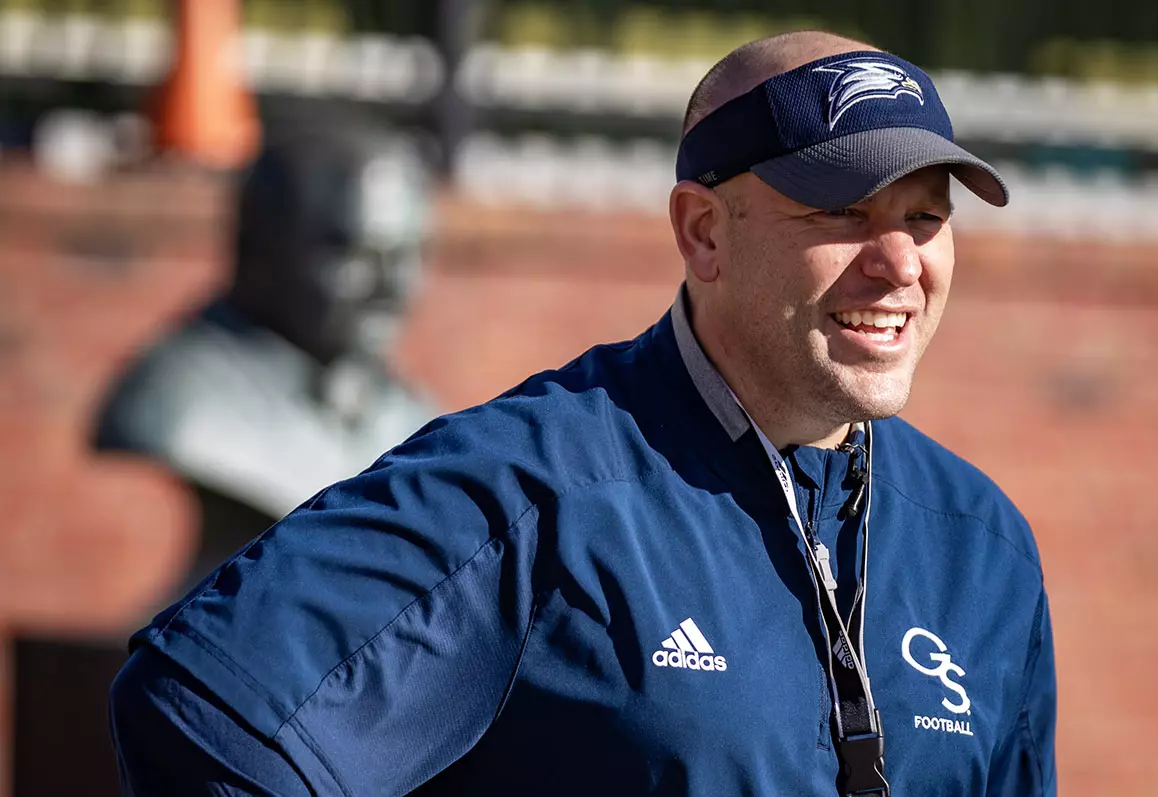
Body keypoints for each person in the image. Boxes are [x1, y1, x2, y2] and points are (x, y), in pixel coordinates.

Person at [109, 31, 1056, 796]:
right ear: (703, 232)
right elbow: (204, 711)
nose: (900, 263)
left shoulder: (983, 546)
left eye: (926, 217)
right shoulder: (538, 485)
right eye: (843, 213)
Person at [9, 114, 438, 797]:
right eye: (352, 253)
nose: (391, 289)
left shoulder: (417, 422)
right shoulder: (177, 398)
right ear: (258, 250)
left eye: (407, 254)